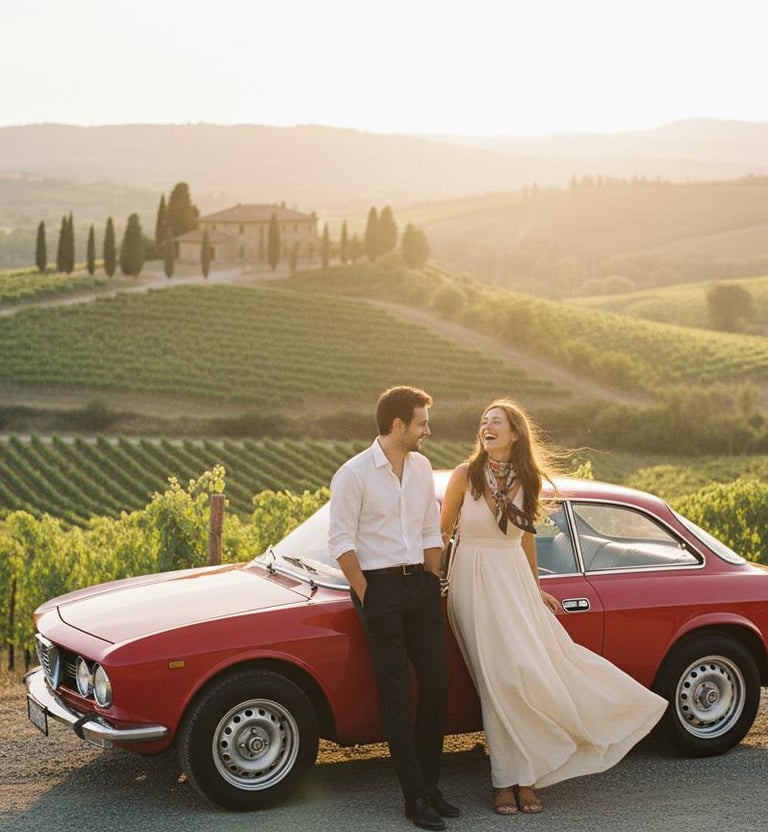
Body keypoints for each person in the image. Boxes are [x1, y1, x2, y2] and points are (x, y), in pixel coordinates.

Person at [440, 398, 667, 816]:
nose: (486, 427)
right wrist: (431, 580)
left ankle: (528, 774)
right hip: (472, 581)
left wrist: (535, 587)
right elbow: (440, 532)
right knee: (499, 681)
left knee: (529, 671)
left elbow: (525, 539)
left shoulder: (528, 480)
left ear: (514, 434)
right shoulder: (464, 476)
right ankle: (507, 781)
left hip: (512, 580)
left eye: (496, 422)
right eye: (483, 422)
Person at [329, 385, 460, 831]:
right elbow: (341, 543)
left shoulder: (422, 467)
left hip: (420, 586)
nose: (428, 430)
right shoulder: (353, 474)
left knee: (438, 683)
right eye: (422, 422)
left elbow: (429, 528)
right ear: (397, 424)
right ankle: (414, 797)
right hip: (379, 590)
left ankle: (432, 785)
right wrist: (368, 594)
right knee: (397, 694)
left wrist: (433, 579)